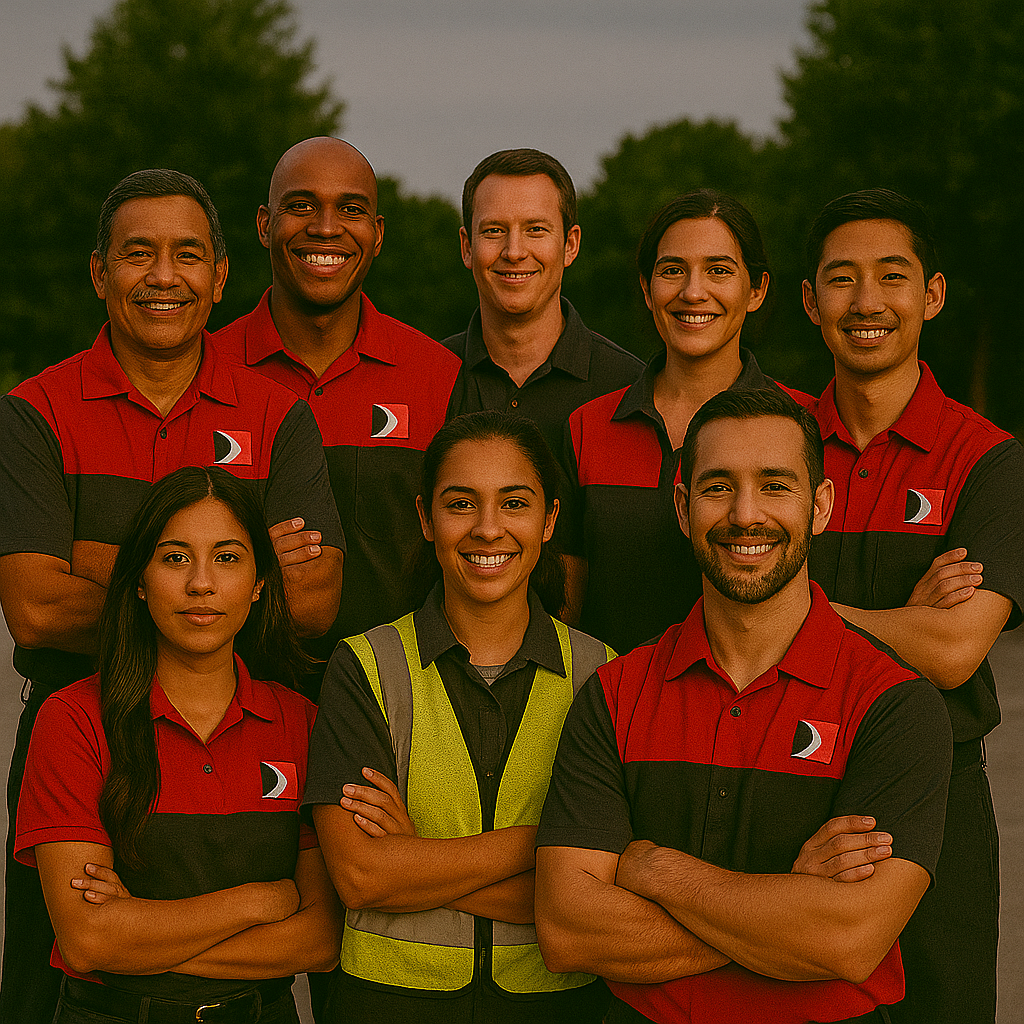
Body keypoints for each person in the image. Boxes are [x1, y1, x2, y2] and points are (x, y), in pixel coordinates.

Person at [0, 168, 345, 1022]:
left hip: (241, 725)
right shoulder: (34, 411)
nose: (164, 277)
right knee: (55, 988)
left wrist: (97, 556)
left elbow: (313, 599)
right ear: (98, 272)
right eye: (137, 255)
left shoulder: (276, 413)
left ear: (222, 277)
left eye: (187, 255)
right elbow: (35, 607)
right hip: (88, 730)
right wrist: (232, 561)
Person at [535, 388, 953, 1024]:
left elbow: (847, 940)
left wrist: (655, 869)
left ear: (821, 507)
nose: (745, 514)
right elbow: (570, 931)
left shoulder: (895, 705)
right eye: (718, 486)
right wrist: (785, 907)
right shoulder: (616, 693)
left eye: (776, 485)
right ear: (682, 506)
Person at [304, 411, 615, 1022]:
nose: (488, 529)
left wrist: (416, 859)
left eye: (515, 503)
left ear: (550, 521)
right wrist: (543, 847)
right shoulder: (364, 665)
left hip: (555, 1007)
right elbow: (364, 878)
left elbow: (606, 897)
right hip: (387, 1005)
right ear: (425, 518)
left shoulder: (603, 674)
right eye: (461, 504)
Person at [800, 188, 1024, 1024]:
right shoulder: (772, 441)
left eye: (890, 278)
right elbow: (725, 618)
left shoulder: (990, 461)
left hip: (939, 799)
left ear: (930, 294)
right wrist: (906, 617)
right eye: (841, 279)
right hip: (791, 779)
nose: (866, 304)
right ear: (808, 299)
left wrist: (802, 605)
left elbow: (958, 651)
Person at [14, 465, 343, 1024]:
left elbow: (318, 940)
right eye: (175, 558)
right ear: (140, 580)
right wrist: (258, 902)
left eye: (228, 557)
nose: (201, 584)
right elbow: (88, 943)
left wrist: (139, 934)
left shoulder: (301, 723)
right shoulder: (72, 719)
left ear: (261, 582)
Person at [215, 137, 462, 666]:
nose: (326, 228)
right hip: (236, 698)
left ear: (377, 235)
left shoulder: (439, 376)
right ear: (264, 225)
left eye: (351, 210)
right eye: (301, 206)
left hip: (398, 705)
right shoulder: (206, 369)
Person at [564, 190, 801, 652]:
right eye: (672, 270)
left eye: (719, 270)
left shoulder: (801, 422)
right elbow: (567, 611)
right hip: (614, 710)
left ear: (756, 290)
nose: (694, 292)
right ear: (646, 289)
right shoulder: (586, 427)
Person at [443, 148, 642, 467]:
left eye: (536, 229)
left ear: (570, 245)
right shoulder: (427, 382)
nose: (514, 251)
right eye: (494, 230)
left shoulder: (631, 389)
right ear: (467, 247)